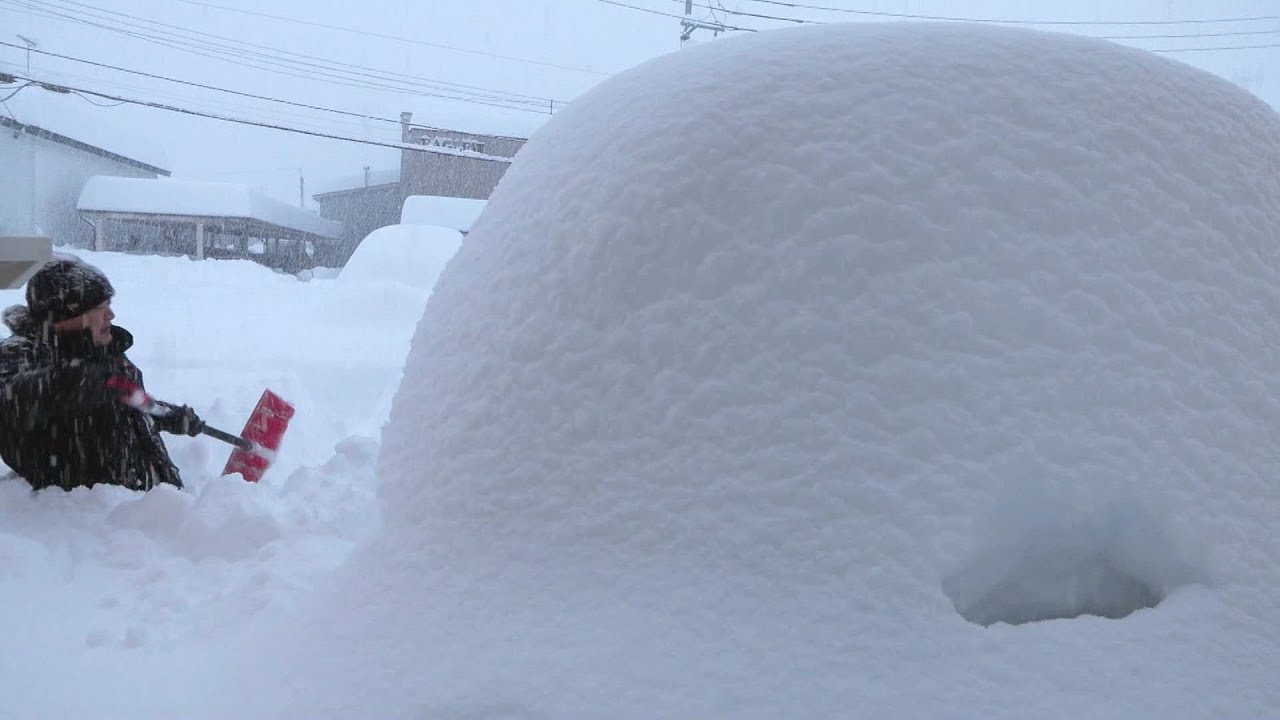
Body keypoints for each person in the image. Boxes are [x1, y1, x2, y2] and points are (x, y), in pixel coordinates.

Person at [0, 255, 205, 492]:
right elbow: (12, 401)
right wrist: (83, 380)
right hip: (83, 522)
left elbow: (120, 398)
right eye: (100, 307)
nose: (111, 314)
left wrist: (163, 414)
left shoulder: (99, 348)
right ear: (64, 315)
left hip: (147, 513)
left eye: (109, 304)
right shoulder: (21, 353)